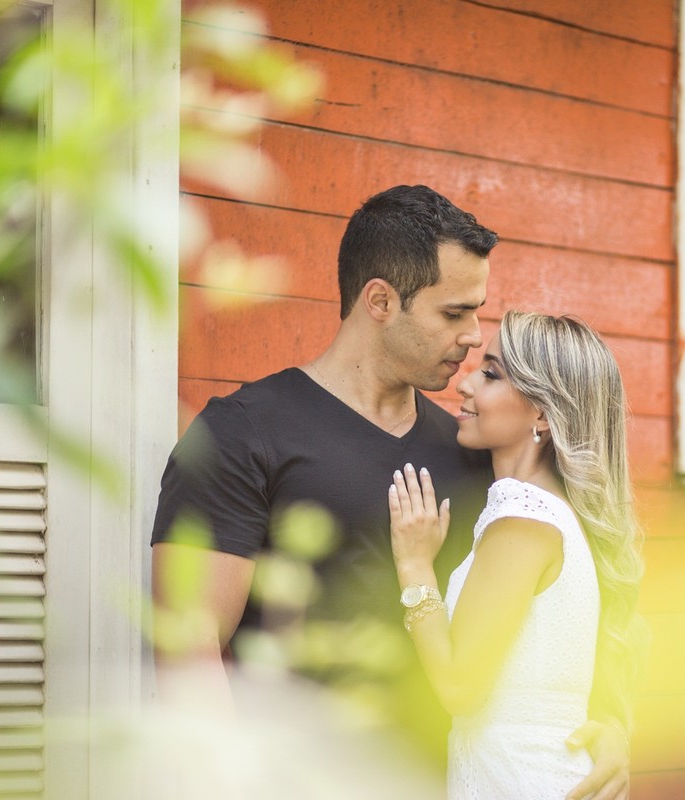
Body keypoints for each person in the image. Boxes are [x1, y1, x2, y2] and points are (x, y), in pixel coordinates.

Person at [150, 186, 630, 798]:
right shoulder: (242, 434)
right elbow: (189, 647)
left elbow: (559, 602)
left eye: (477, 312)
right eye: (453, 314)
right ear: (380, 300)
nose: (473, 336)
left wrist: (607, 721)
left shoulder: (479, 454)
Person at [389, 311, 645, 800]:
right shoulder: (550, 513)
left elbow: (459, 689)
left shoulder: (522, 520)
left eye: (490, 374)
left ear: (543, 415)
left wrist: (415, 567)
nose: (464, 384)